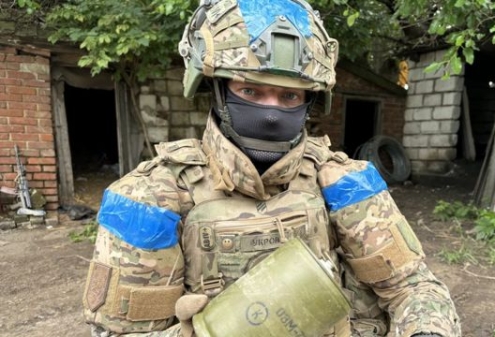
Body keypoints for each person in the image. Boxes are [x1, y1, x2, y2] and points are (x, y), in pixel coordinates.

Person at [81, 0, 461, 336]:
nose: (271, 111)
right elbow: (115, 332)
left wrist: (426, 330)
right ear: (216, 90)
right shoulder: (148, 198)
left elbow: (413, 287)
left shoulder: (344, 181)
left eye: (289, 96)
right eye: (250, 91)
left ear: (310, 101)